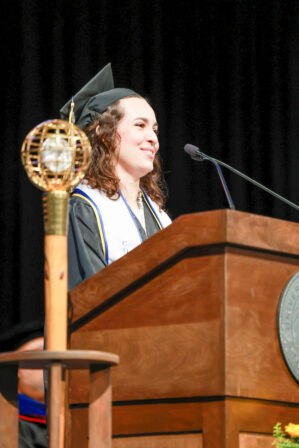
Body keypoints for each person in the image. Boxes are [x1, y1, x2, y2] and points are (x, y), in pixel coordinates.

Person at [60, 63, 172, 291]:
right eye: (140, 125)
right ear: (104, 134)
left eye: (155, 129)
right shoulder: (83, 209)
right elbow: (89, 298)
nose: (153, 138)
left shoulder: (160, 217)